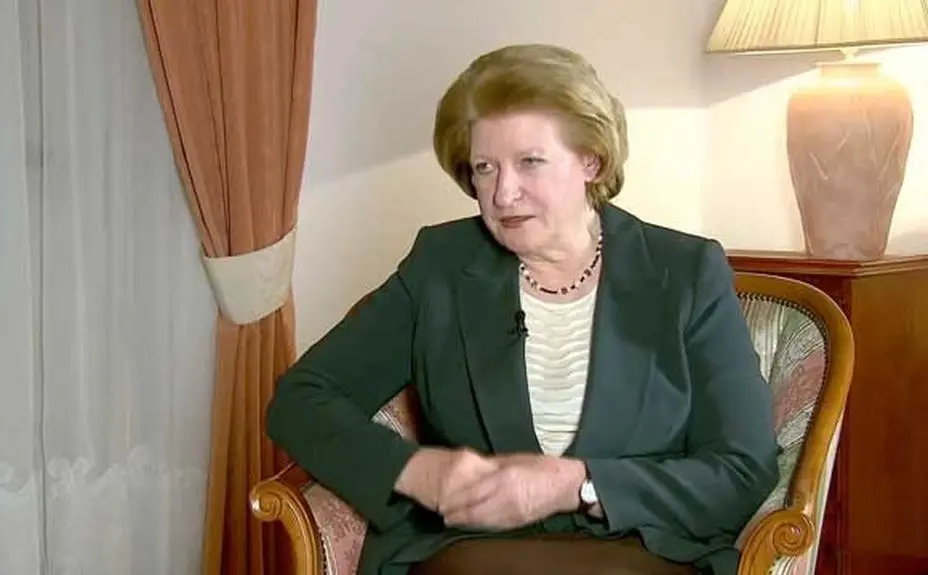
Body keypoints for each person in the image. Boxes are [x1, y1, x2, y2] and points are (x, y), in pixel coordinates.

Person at [266, 43, 779, 575]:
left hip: (643, 550)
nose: (503, 193)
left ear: (591, 159)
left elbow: (742, 469)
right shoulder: (441, 267)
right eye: (484, 168)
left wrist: (577, 484)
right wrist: (417, 471)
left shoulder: (685, 272)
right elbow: (301, 400)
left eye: (529, 162)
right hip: (475, 553)